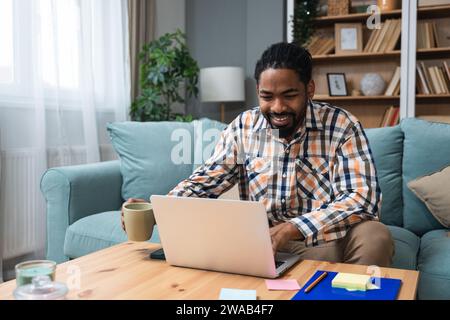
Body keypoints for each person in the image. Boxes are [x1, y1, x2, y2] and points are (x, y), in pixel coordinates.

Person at [122, 42, 394, 267]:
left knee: (374, 235)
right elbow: (207, 180)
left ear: (309, 89)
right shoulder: (243, 127)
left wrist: (292, 229)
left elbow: (361, 199)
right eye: (267, 96)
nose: (278, 107)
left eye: (289, 96)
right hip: (260, 247)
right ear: (258, 92)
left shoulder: (342, 126)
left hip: (323, 243)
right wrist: (160, 208)